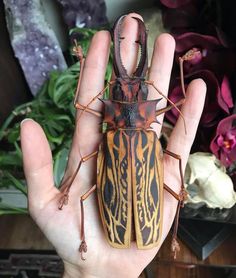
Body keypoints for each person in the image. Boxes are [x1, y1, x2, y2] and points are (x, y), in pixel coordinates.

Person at [20, 13, 206, 278]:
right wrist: (180, 65)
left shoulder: (110, 136)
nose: (131, 88)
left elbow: (82, 111)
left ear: (112, 106)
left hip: (124, 220)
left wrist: (83, 62)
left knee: (89, 192)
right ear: (147, 106)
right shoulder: (150, 136)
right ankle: (174, 237)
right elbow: (176, 152)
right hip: (136, 222)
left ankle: (165, 234)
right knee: (174, 184)